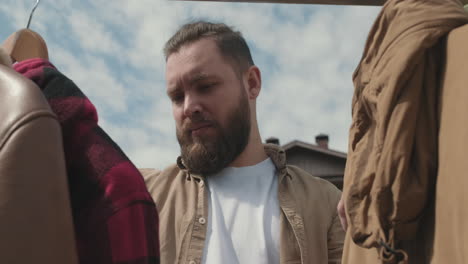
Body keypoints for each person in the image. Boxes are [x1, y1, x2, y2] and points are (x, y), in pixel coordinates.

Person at [141, 21, 344, 264]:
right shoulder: (145, 195)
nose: (188, 107)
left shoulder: (325, 203)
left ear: (252, 83)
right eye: (176, 97)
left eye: (205, 87)